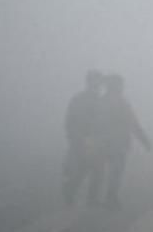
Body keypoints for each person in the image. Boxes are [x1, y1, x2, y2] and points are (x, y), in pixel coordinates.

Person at [96, 74, 151, 209]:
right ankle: (110, 197)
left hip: (103, 142)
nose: (122, 87)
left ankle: (97, 197)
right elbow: (133, 123)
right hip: (117, 143)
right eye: (120, 85)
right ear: (116, 86)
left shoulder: (101, 102)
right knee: (115, 171)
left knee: (101, 170)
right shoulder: (121, 102)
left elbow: (92, 124)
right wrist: (144, 140)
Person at [62, 70, 104, 206]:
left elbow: (103, 121)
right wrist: (74, 138)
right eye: (95, 81)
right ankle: (73, 192)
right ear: (89, 82)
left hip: (93, 140)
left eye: (99, 81)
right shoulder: (81, 99)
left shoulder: (97, 100)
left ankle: (76, 193)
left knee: (92, 169)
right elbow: (70, 120)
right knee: (88, 169)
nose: (97, 84)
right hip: (84, 139)